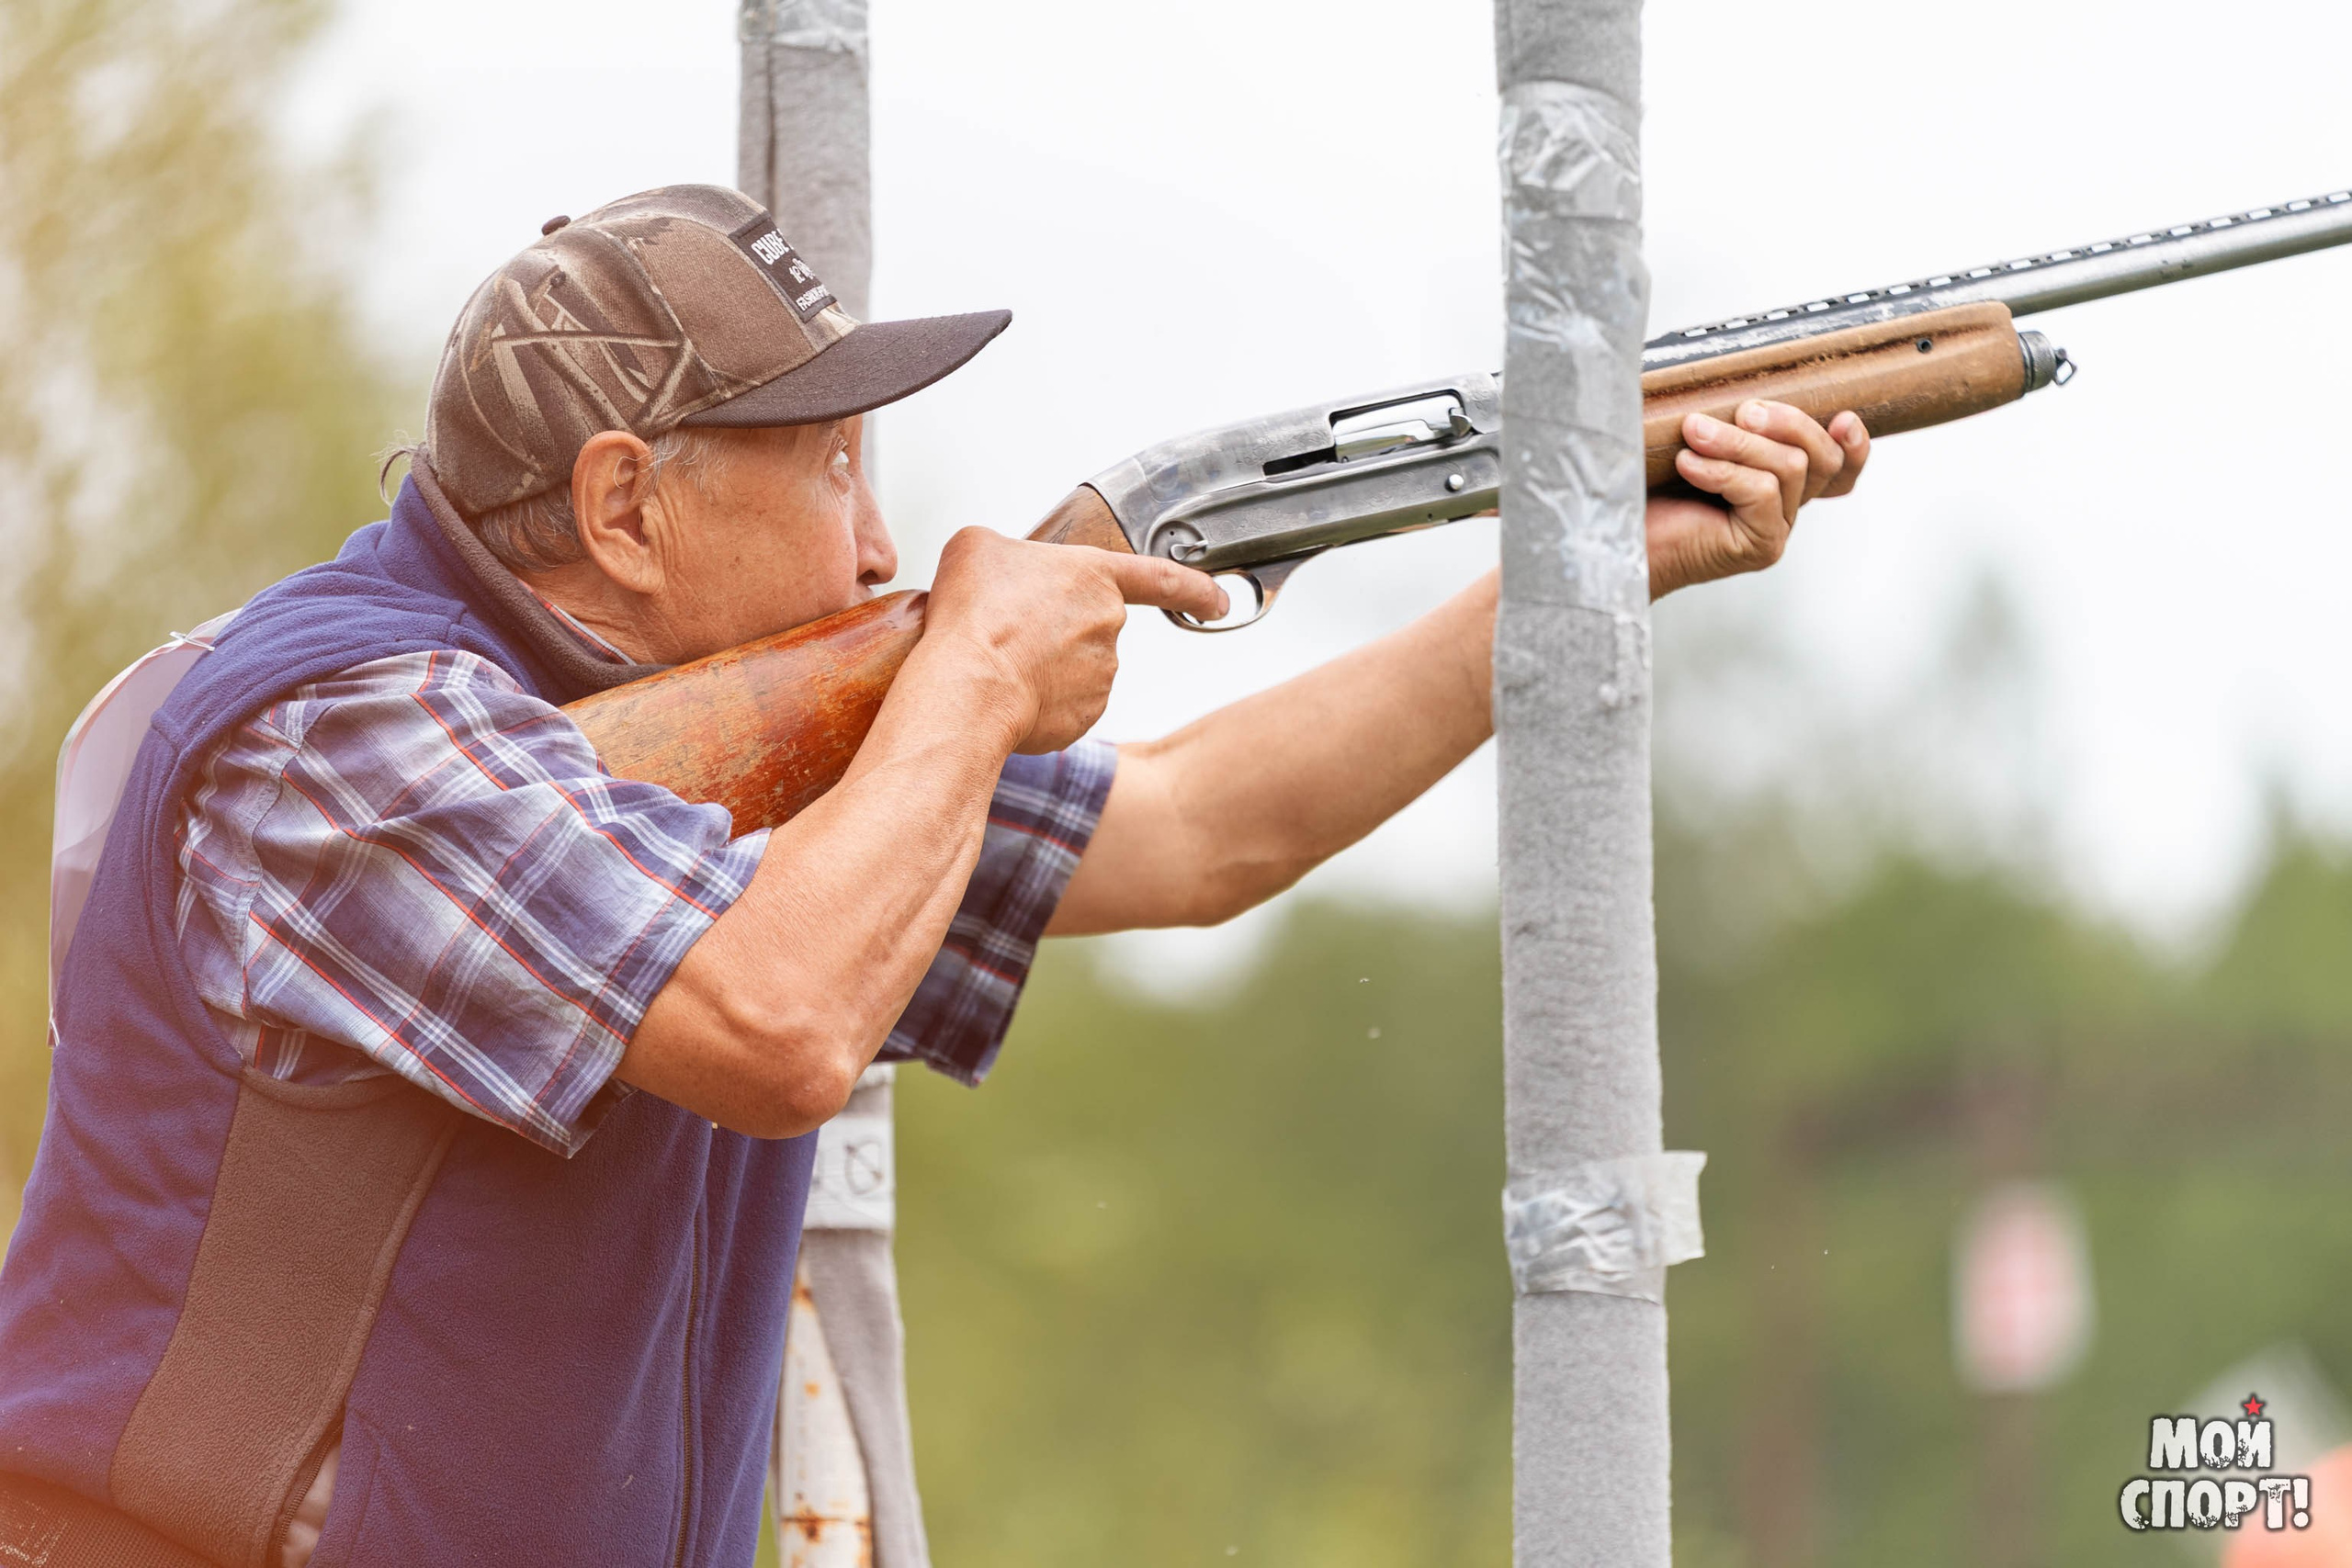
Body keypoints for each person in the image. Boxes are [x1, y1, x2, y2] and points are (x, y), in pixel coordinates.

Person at [0, 185, 1869, 1568]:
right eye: (821, 466)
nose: (884, 535)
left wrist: (1581, 567)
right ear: (621, 505)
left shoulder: (711, 755)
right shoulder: (349, 738)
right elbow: (775, 1021)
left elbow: (1202, 831)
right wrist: (966, 681)